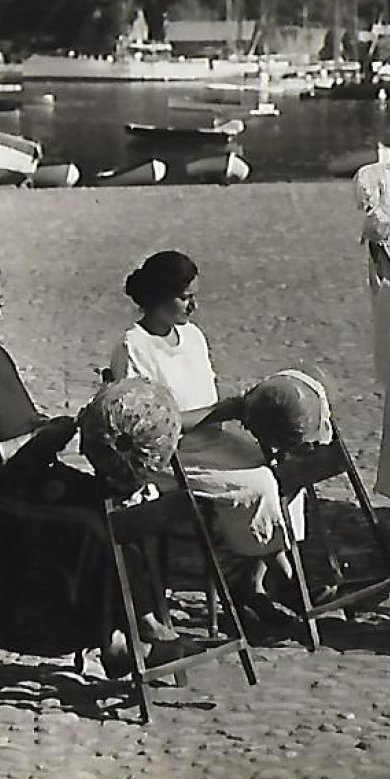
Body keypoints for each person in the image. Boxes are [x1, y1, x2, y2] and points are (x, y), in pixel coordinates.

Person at [0, 260, 176, 678]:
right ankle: (125, 637)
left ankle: (136, 625)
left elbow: (23, 418)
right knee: (86, 530)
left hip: (21, 481)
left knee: (120, 507)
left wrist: (60, 425)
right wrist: (33, 441)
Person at [109, 250, 306, 628]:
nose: (193, 305)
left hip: (212, 439)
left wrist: (240, 409)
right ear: (160, 297)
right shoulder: (133, 346)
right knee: (260, 482)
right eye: (185, 297)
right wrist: (224, 410)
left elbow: (207, 400)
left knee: (283, 471)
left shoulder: (193, 337)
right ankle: (283, 579)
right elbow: (147, 428)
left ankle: (256, 579)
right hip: (172, 455)